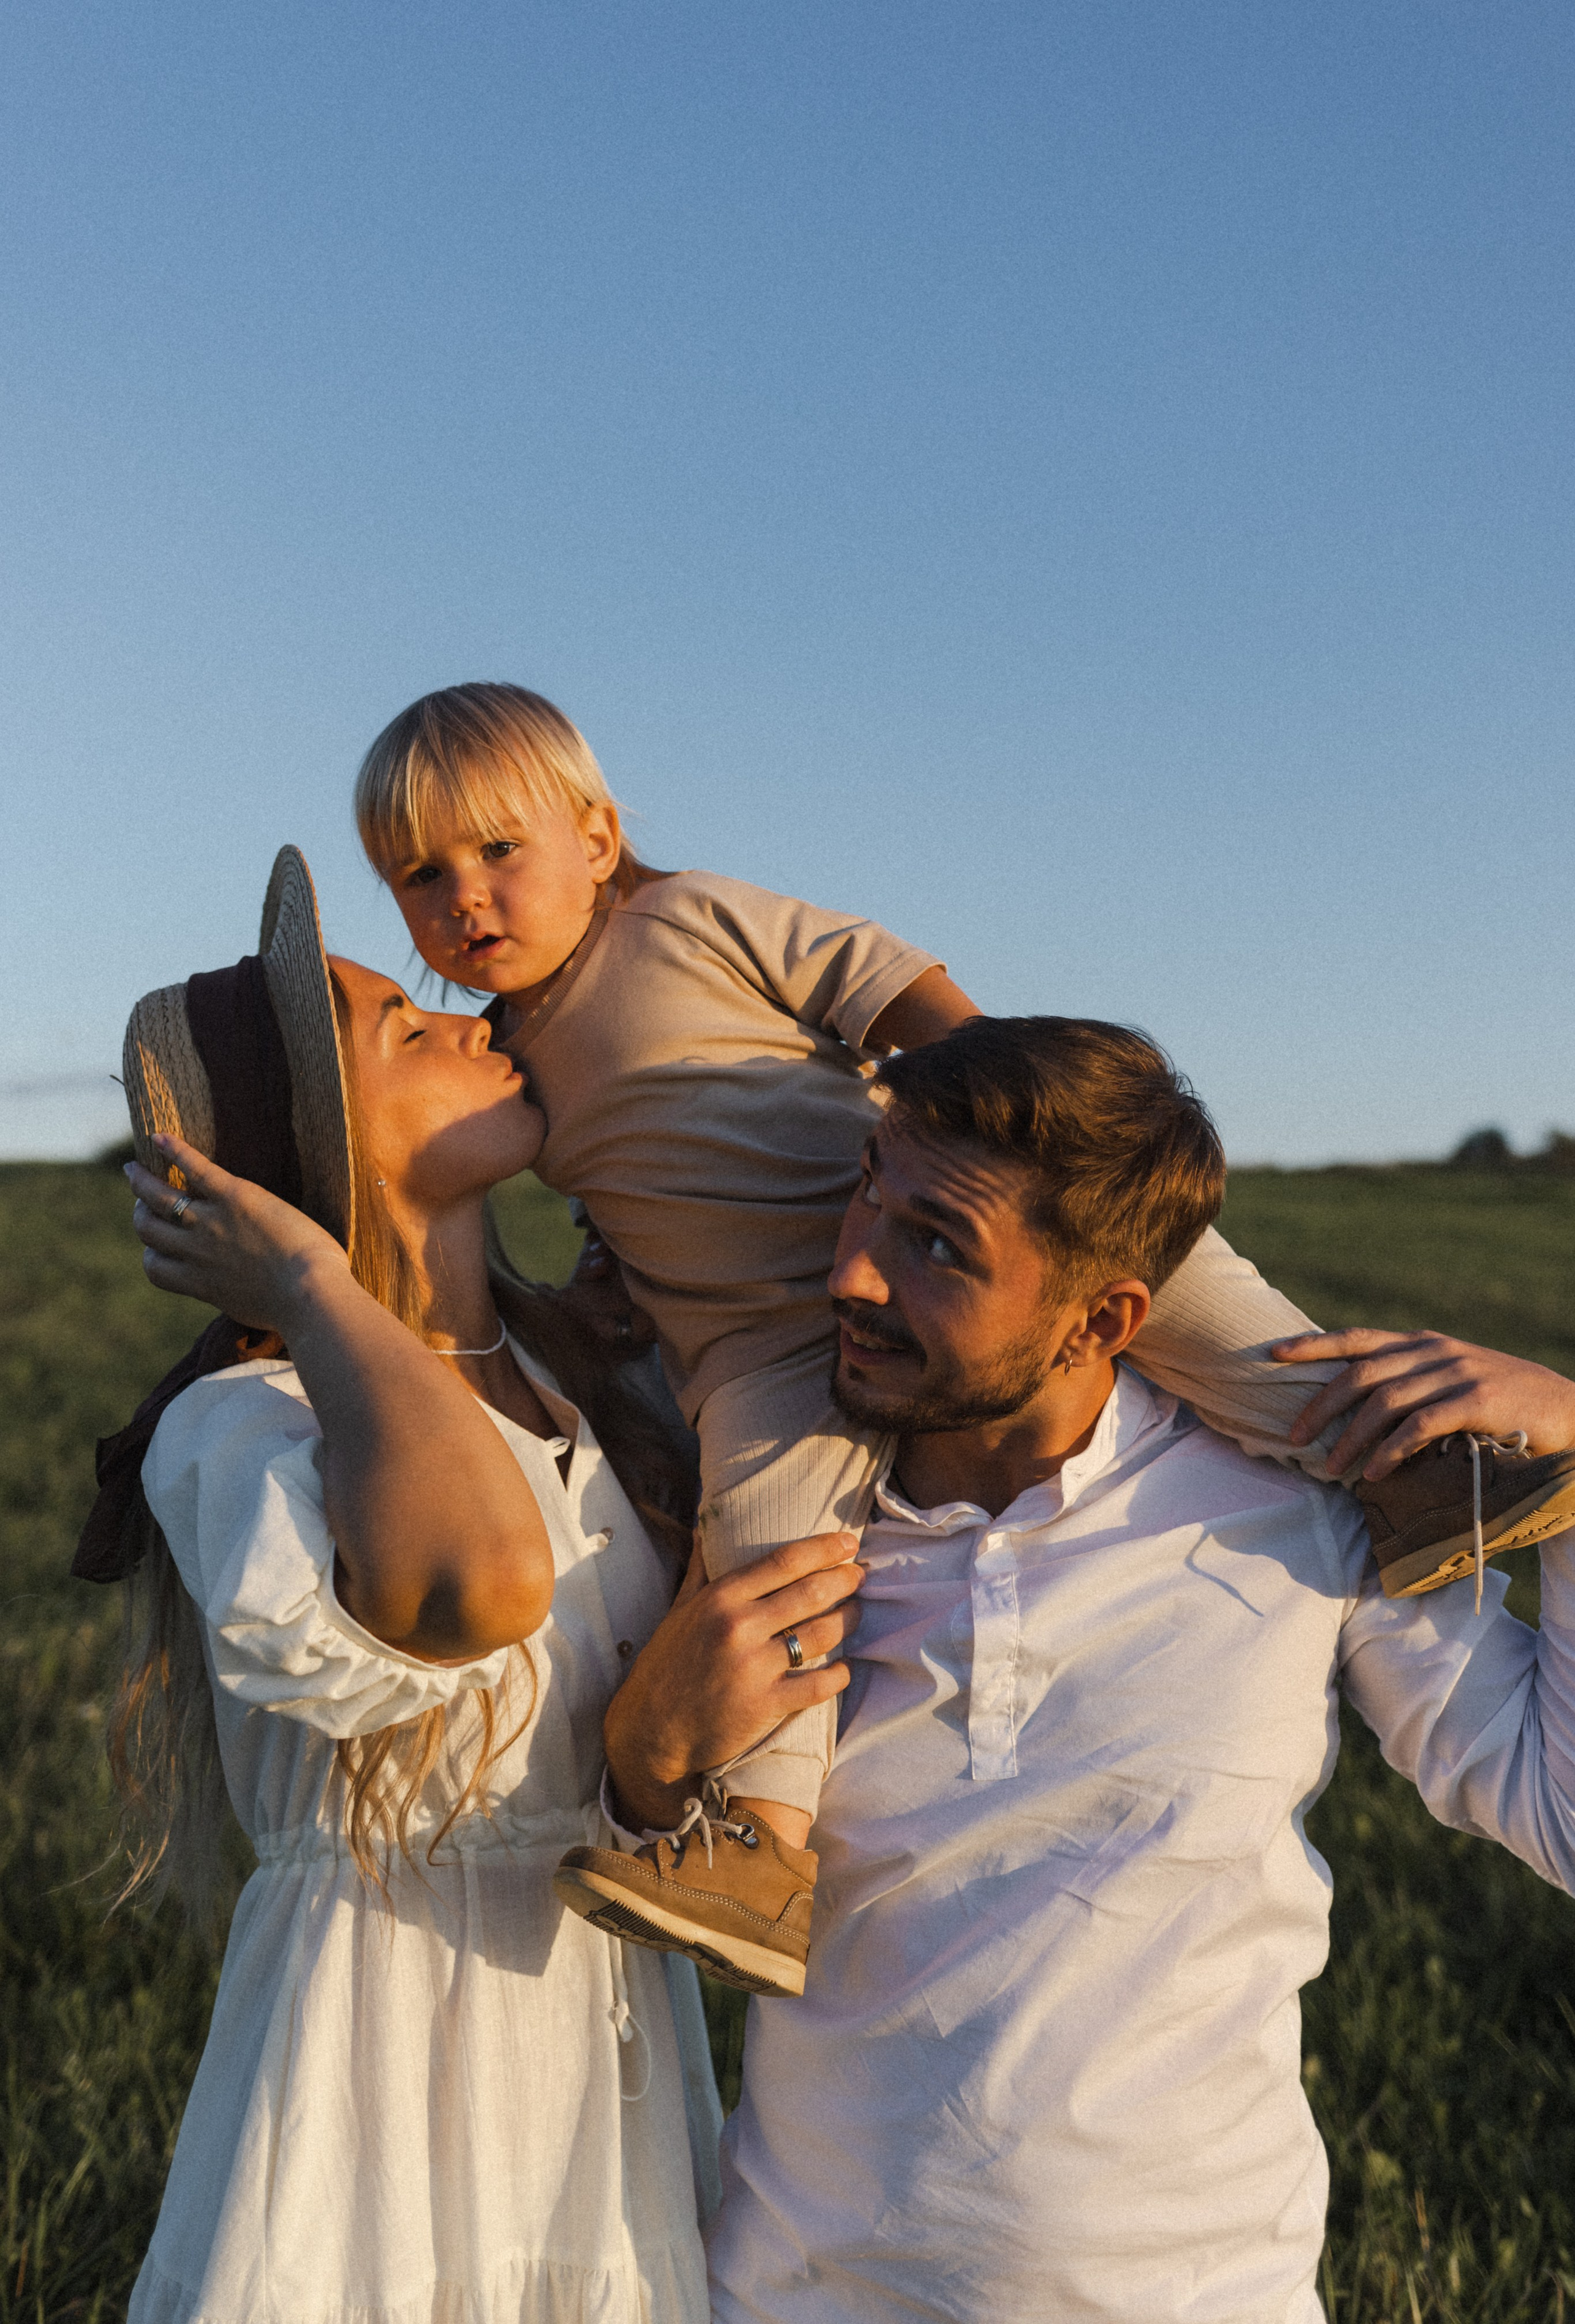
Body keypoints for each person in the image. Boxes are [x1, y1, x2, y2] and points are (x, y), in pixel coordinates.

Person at [353, 682, 1575, 1994]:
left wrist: (1010, 1124)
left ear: (597, 838)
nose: (464, 899)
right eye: (420, 876)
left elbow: (877, 981)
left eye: (499, 850)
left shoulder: (687, 920)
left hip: (930, 1216)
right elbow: (626, 1184)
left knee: (1216, 1322)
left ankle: (1416, 1475)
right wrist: (606, 1269)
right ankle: (759, 1846)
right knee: (770, 1560)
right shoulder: (505, 1062)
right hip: (757, 1345)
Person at [596, 1015, 1575, 2323]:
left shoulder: (1303, 1506)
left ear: (1100, 1319)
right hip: (795, 2295)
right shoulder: (757, 1506)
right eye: (867, 1193)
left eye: (936, 1246)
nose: (853, 1272)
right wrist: (645, 1758)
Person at [84, 846, 724, 2324]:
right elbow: (482, 1583)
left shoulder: (592, 1378)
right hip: (382, 2048)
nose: (468, 1018)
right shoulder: (249, 1427)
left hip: (600, 2033)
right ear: (318, 1151)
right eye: (402, 1027)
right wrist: (312, 1287)